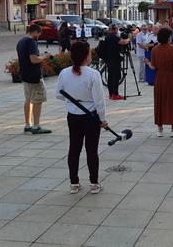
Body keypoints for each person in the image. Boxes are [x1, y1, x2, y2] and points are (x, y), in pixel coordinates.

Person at [55, 41, 108, 195]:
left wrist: (74, 101)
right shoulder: (93, 74)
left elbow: (58, 94)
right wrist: (103, 119)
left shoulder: (64, 73)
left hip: (73, 115)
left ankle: (74, 183)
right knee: (92, 150)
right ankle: (94, 183)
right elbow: (99, 101)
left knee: (74, 149)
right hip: (91, 116)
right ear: (86, 56)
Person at [145, 27, 173, 137]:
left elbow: (153, 67)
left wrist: (148, 62)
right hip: (172, 78)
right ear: (168, 38)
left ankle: (159, 129)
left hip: (159, 78)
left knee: (160, 102)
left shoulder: (154, 49)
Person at [17, 24, 53, 134]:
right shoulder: (31, 42)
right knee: (38, 100)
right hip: (34, 76)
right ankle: (37, 126)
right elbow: (33, 59)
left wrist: (39, 55)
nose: (39, 36)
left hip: (25, 75)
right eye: (39, 33)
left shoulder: (21, 41)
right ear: (35, 32)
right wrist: (44, 57)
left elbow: (27, 57)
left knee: (28, 100)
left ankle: (27, 124)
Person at [104, 24, 132, 100]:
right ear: (113, 29)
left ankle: (111, 94)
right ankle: (115, 94)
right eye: (116, 29)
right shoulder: (113, 36)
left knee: (110, 76)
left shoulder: (107, 36)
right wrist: (129, 38)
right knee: (116, 76)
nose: (117, 31)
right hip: (114, 59)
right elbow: (123, 42)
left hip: (108, 59)